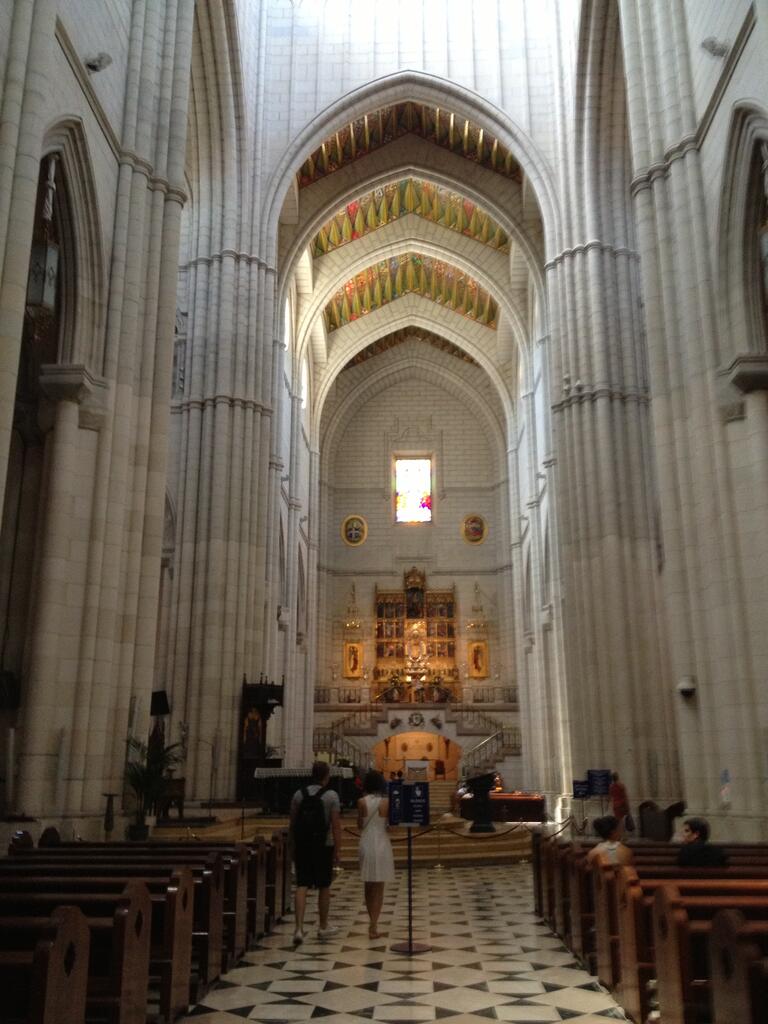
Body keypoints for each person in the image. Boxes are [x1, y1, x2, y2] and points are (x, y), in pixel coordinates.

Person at [289, 761, 342, 946]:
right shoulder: (331, 795)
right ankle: (323, 926)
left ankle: (298, 928)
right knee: (324, 885)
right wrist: (337, 849)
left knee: (302, 884)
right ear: (326, 776)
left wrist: (292, 846)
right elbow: (336, 825)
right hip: (323, 845)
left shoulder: (298, 794)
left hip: (303, 844)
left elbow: (293, 823)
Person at [357, 769, 395, 939]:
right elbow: (390, 826)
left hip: (366, 841)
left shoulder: (361, 802)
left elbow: (359, 825)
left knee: (368, 884)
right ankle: (374, 925)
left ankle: (371, 921)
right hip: (381, 842)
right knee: (379, 886)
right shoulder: (387, 802)